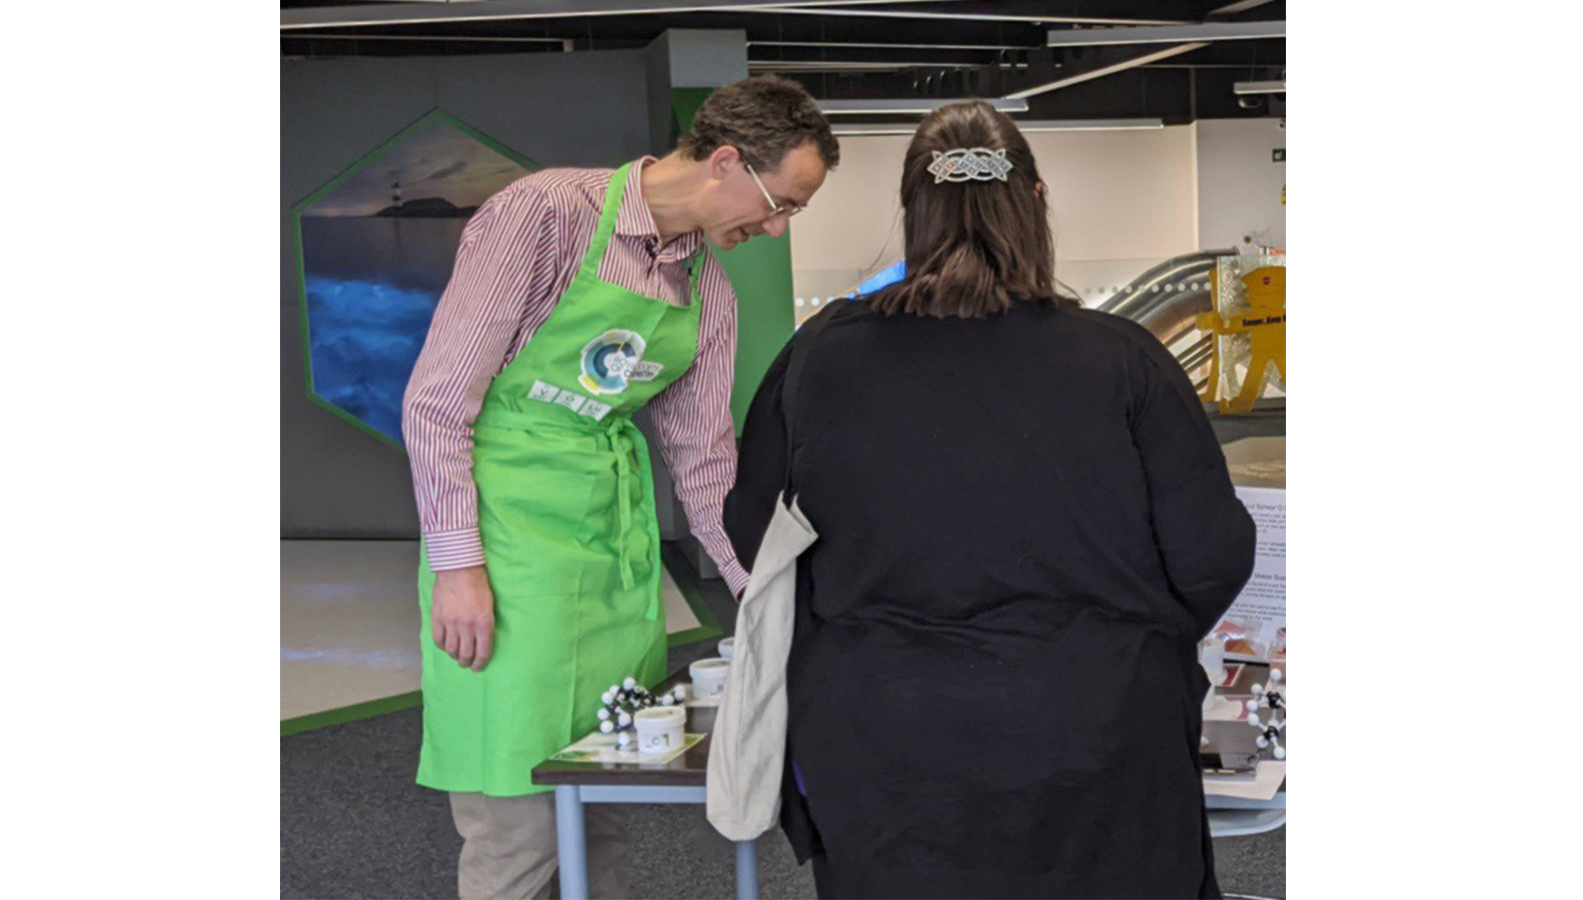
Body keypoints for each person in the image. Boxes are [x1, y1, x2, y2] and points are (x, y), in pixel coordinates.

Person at [723, 100, 1256, 899]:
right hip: (1099, 731)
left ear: (912, 210)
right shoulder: (1123, 361)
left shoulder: (821, 358)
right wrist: (1120, 640)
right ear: (1035, 202)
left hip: (884, 741)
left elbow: (753, 531)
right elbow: (1211, 555)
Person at [401, 75, 838, 900]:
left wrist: (759, 591)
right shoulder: (545, 215)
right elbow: (437, 404)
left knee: (598, 797)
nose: (777, 227)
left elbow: (704, 461)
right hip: (506, 547)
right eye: (781, 203)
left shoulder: (706, 290)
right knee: (518, 824)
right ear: (725, 161)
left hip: (607, 552)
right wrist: (458, 567)